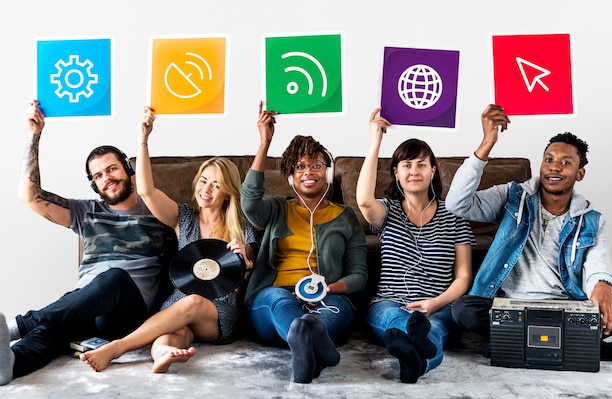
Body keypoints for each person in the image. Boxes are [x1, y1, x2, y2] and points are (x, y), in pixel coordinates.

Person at [0, 99, 175, 386]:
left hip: (126, 313)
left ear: (128, 169)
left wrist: (144, 136)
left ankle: (14, 327)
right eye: (98, 176)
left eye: (112, 169)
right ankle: (11, 364)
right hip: (84, 305)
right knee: (49, 328)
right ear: (94, 184)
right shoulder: (87, 211)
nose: (107, 178)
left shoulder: (156, 210)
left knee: (114, 278)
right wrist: (34, 135)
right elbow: (29, 196)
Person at [79, 107, 258, 373]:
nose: (206, 190)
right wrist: (143, 138)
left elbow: (247, 276)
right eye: (204, 181)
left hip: (219, 308)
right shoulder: (183, 217)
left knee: (194, 303)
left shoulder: (242, 225)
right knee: (175, 331)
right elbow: (145, 191)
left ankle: (116, 348)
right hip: (179, 299)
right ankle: (164, 354)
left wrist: (244, 261)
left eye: (216, 185)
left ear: (229, 193)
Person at [445, 104, 612, 361]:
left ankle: (514, 341)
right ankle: (588, 346)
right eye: (549, 160)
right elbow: (456, 204)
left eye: (565, 163)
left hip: (565, 306)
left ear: (580, 173)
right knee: (464, 310)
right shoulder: (512, 196)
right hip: (512, 306)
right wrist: (486, 145)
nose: (554, 167)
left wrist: (603, 285)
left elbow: (599, 262)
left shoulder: (591, 220)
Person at [240, 101, 368, 383]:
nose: (308, 172)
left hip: (327, 297)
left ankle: (306, 346)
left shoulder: (345, 218)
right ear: (290, 176)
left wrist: (325, 289)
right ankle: (312, 344)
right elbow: (248, 202)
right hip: (273, 297)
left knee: (326, 314)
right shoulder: (275, 208)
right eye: (300, 167)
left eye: (316, 165)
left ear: (329, 173)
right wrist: (264, 143)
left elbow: (359, 275)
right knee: (279, 301)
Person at [355, 108, 475, 383]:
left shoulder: (455, 214)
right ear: (396, 173)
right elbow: (363, 200)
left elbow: (463, 276)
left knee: (432, 329)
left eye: (421, 164)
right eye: (406, 166)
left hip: (440, 305)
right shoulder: (387, 212)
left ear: (433, 171)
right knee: (400, 322)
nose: (414, 171)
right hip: (390, 303)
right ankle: (418, 359)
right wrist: (375, 141)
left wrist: (435, 303)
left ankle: (415, 361)